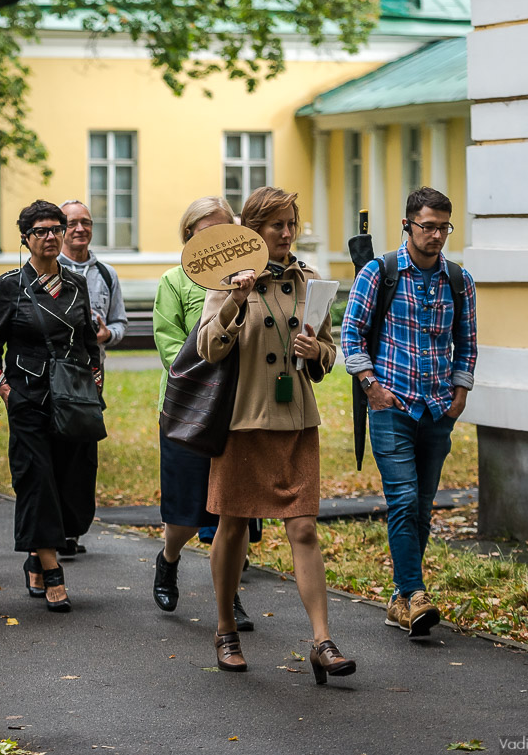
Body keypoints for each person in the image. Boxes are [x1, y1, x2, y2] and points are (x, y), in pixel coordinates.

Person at [196, 186, 353, 682]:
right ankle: (225, 629)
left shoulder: (306, 280)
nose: (286, 234)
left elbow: (328, 351)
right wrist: (235, 302)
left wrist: (317, 352)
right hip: (244, 422)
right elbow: (207, 347)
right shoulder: (227, 279)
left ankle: (322, 642)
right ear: (254, 230)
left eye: (291, 224)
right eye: (276, 225)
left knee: (303, 527)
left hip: (295, 421)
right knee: (234, 526)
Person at [342, 186, 477, 638]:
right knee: (402, 500)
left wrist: (460, 393)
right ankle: (416, 593)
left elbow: (468, 343)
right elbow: (352, 335)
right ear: (407, 225)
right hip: (392, 406)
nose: (436, 235)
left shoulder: (459, 280)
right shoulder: (379, 273)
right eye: (427, 226)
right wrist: (371, 388)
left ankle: (401, 599)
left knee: (422, 507)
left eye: (443, 227)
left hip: (438, 409)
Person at [0, 200, 102, 614]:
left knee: (74, 483)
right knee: (36, 479)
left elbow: (88, 341)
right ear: (26, 239)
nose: (51, 237)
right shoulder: (9, 286)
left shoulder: (76, 284)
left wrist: (95, 383)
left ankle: (38, 552)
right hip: (29, 399)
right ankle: (52, 571)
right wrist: (6, 390)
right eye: (42, 231)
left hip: (74, 401)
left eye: (57, 229)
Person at [152, 196, 265, 628]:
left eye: (226, 232)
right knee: (186, 512)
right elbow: (168, 348)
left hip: (242, 408)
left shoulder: (253, 279)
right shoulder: (173, 281)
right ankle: (169, 557)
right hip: (190, 411)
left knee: (232, 509)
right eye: (206, 234)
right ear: (189, 239)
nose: (218, 243)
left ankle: (229, 596)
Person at [54, 199, 128, 554]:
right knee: (54, 450)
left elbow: (119, 324)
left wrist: (104, 336)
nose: (80, 229)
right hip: (53, 379)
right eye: (72, 223)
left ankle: (72, 529)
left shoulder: (106, 274)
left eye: (86, 222)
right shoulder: (44, 270)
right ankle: (53, 530)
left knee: (83, 454)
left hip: (91, 380)